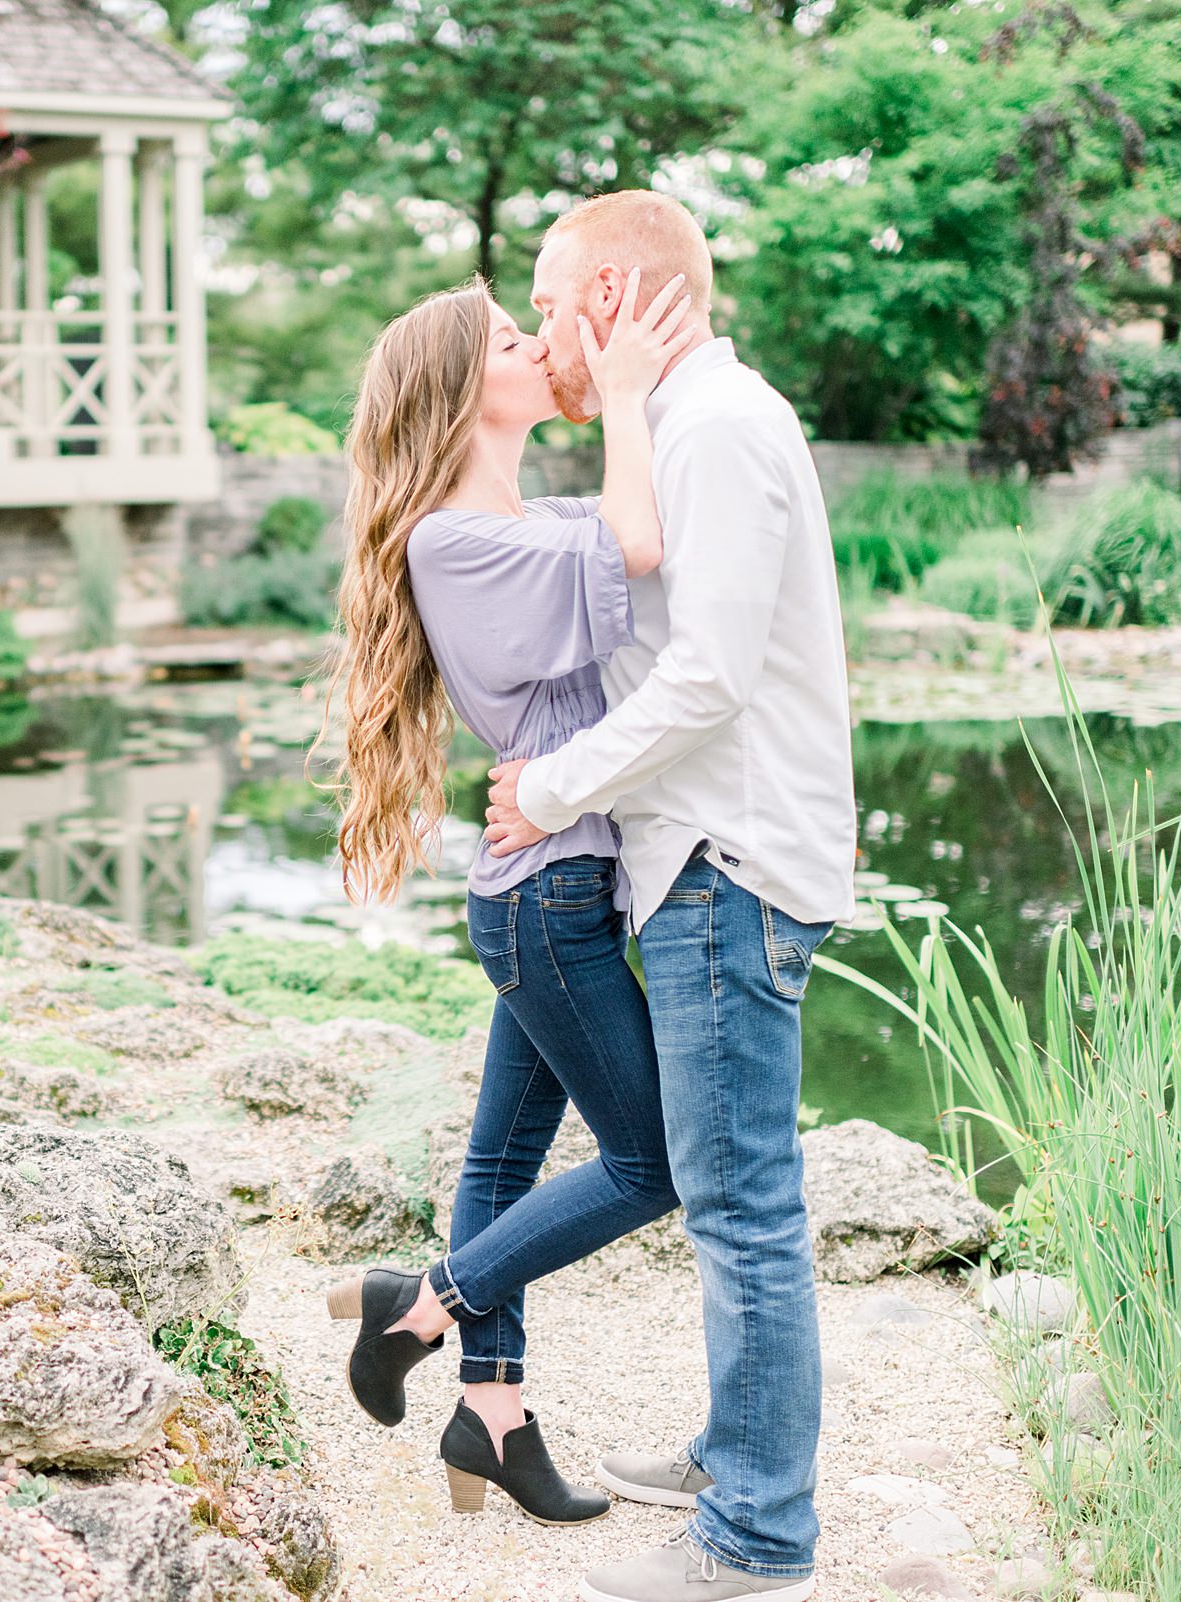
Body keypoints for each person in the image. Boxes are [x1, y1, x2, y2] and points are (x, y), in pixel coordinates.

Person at [484, 191, 857, 1602]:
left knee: (741, 1203)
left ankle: (759, 1536)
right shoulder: (685, 422)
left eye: (550, 293)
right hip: (707, 856)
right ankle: (733, 1448)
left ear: (619, 291)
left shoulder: (719, 427)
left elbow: (706, 676)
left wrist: (552, 787)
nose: (546, 332)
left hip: (727, 860)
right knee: (723, 1190)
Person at [316, 269, 695, 1526]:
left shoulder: (521, 514)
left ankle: (492, 1418)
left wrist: (630, 381)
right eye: (513, 337)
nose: (540, 345)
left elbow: (636, 525)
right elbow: (638, 548)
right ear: (458, 391)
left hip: (548, 884)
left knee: (505, 1158)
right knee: (651, 1164)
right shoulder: (456, 539)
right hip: (549, 902)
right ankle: (419, 1308)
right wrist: (631, 389)